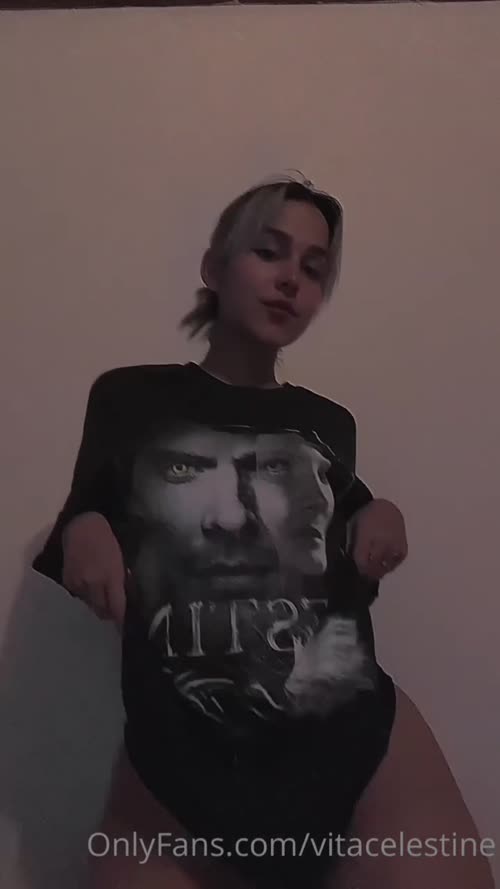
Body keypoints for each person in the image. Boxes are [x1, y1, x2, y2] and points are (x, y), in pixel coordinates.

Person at [32, 171, 494, 889]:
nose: (290, 280)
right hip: (182, 756)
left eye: (314, 268)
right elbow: (86, 512)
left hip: (353, 737)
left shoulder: (328, 421)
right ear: (215, 267)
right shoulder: (130, 397)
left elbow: (345, 517)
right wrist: (85, 528)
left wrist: (383, 514)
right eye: (269, 252)